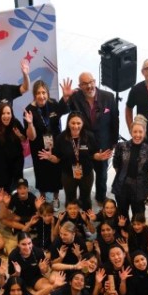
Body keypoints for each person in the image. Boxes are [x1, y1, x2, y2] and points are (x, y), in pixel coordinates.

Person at [62, 72, 119, 203]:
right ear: (79, 86)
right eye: (85, 84)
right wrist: (65, 98)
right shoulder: (75, 97)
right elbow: (64, 111)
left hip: (103, 143)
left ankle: (100, 197)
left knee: (102, 174)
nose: (89, 86)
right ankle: (83, 198)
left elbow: (115, 120)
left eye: (91, 82)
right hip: (83, 143)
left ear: (95, 81)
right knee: (84, 173)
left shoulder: (108, 97)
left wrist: (114, 141)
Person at [110, 116, 148, 221]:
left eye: (140, 132)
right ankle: (124, 234)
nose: (137, 135)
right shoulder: (121, 146)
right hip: (122, 187)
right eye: (135, 132)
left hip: (139, 189)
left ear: (144, 133)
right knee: (122, 216)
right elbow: (116, 164)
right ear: (131, 132)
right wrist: (123, 177)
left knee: (138, 218)